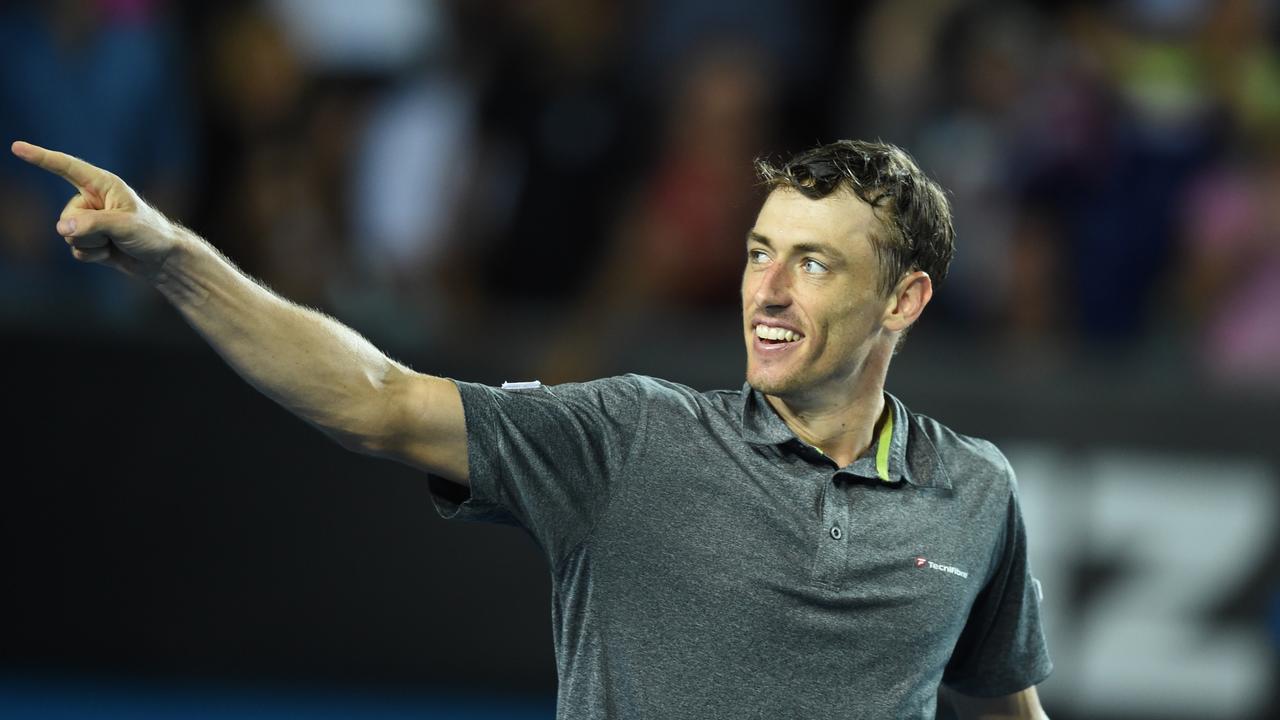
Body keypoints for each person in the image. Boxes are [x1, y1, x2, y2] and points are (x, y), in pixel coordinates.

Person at [10, 138, 1052, 719]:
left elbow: (1003, 705)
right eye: (756, 251)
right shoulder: (628, 436)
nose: (765, 292)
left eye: (812, 264)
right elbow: (376, 399)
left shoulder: (973, 494)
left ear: (904, 301)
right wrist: (168, 255)